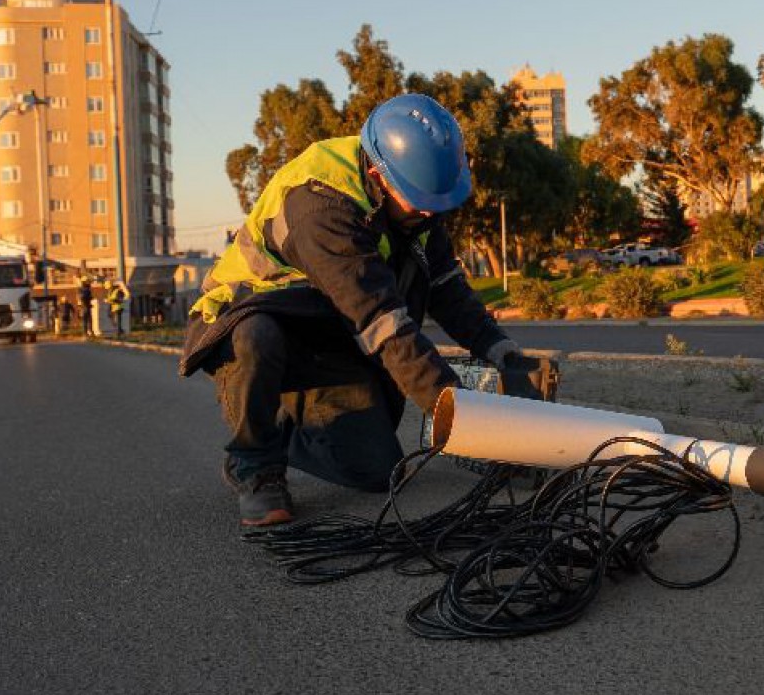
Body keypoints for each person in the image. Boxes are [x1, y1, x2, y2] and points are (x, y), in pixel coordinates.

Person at [179, 93, 542, 529]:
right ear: (377, 175)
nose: (430, 213)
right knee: (258, 336)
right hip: (249, 320)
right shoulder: (320, 206)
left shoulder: (414, 203)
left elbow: (446, 288)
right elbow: (382, 323)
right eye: (420, 201)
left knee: (374, 470)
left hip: (325, 326)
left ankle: (283, 428)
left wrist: (503, 352)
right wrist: (463, 417)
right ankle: (253, 460)